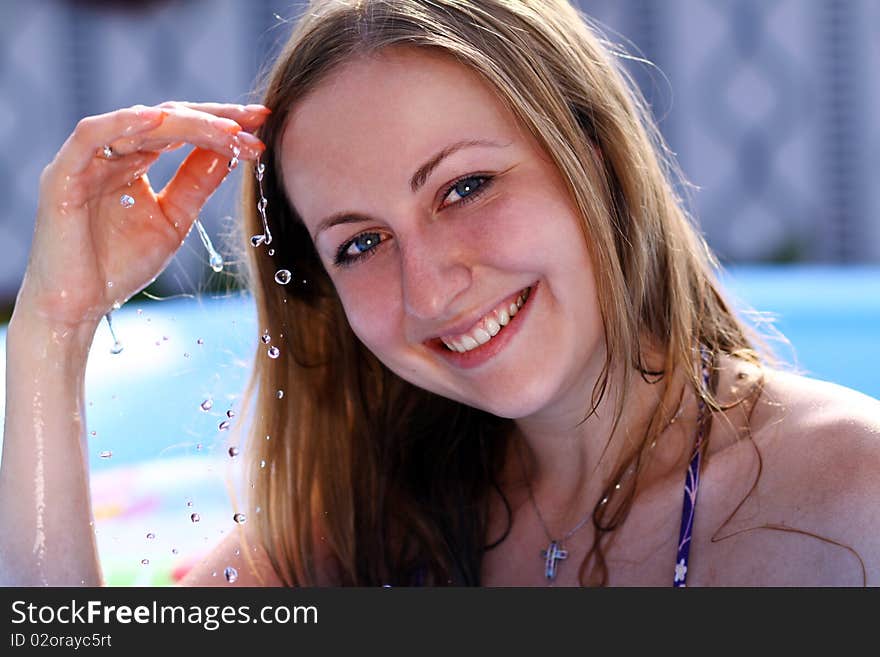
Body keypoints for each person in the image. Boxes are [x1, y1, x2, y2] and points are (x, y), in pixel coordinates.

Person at [2, 0, 879, 588]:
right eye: (362, 243)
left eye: (463, 188)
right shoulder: (374, 522)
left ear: (596, 160)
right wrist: (54, 324)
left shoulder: (847, 494)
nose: (430, 287)